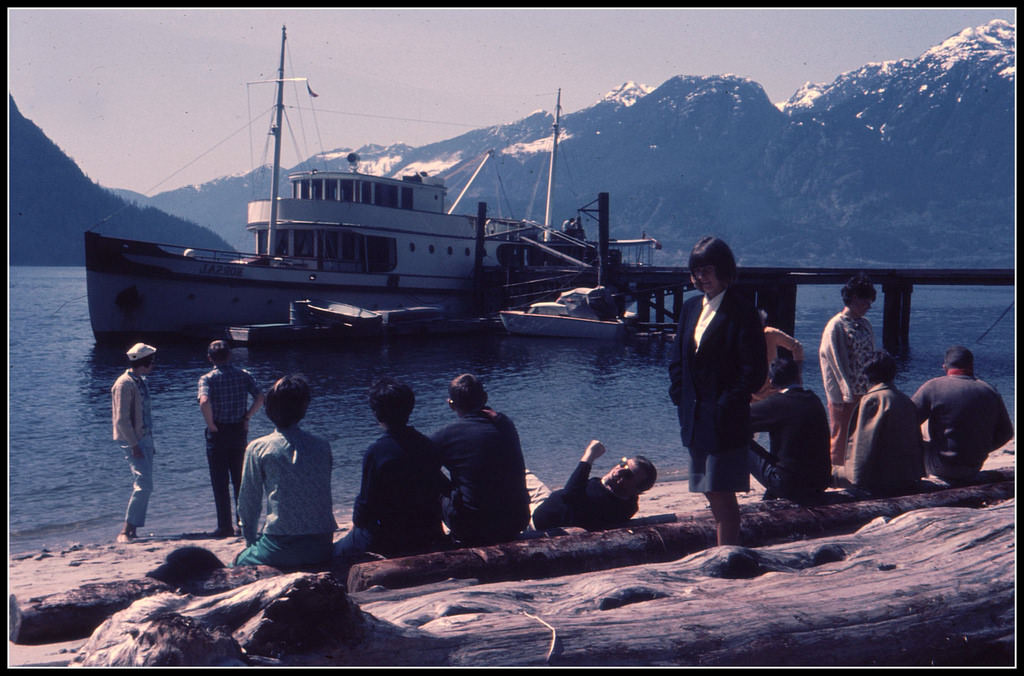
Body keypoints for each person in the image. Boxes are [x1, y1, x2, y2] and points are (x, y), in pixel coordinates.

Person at [669, 236, 767, 546]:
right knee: (710, 491)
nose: (701, 277)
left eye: (707, 269)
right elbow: (677, 360)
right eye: (696, 271)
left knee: (722, 493)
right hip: (695, 417)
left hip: (725, 420)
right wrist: (679, 395)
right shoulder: (688, 308)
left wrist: (728, 403)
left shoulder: (742, 311)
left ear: (724, 269)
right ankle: (724, 550)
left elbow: (754, 372)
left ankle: (728, 556)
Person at [334, 377, 447, 563]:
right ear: (410, 408)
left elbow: (364, 509)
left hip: (389, 539)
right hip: (427, 533)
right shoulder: (429, 445)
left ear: (377, 413)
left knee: (336, 552)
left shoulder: (377, 452)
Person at [234, 375, 336, 569]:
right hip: (321, 544)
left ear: (269, 409)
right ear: (303, 409)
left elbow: (249, 503)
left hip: (280, 544)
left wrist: (250, 542)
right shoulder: (322, 446)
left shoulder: (258, 448)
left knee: (237, 563)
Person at [431, 373, 531, 546]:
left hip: (473, 528)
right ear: (485, 398)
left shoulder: (446, 435)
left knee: (426, 474)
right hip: (517, 520)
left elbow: (419, 463)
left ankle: (434, 539)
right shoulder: (506, 424)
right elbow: (496, 416)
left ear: (451, 405)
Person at [911, 346, 1013, 483]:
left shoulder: (933, 386)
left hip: (942, 466)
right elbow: (1006, 433)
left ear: (944, 367)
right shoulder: (990, 390)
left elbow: (907, 420)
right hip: (974, 465)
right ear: (971, 366)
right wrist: (983, 449)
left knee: (922, 426)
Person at [197, 340, 264, 537]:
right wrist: (247, 417)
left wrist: (211, 424)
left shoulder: (207, 379)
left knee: (220, 482)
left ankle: (224, 526)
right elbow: (260, 397)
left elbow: (204, 401)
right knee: (240, 480)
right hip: (238, 429)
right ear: (230, 355)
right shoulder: (244, 375)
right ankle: (243, 523)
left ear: (210, 358)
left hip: (218, 431)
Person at [833, 351, 924, 496]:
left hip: (881, 481)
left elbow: (864, 447)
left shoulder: (873, 400)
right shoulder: (906, 400)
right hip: (906, 476)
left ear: (867, 374)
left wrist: (857, 482)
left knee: (828, 472)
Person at [748, 356, 831, 504]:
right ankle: (770, 495)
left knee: (739, 440)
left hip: (790, 485)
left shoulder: (776, 404)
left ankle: (722, 491)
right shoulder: (814, 399)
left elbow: (736, 420)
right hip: (821, 481)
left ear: (771, 381)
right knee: (787, 442)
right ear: (798, 376)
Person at [531, 440, 657, 531]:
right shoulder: (626, 501)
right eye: (623, 464)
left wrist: (589, 456)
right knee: (522, 471)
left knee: (517, 473)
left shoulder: (608, 503)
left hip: (534, 519)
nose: (618, 470)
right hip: (546, 499)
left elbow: (569, 494)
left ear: (635, 490)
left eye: (628, 474)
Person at [819, 273, 877, 467]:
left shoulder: (865, 324)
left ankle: (854, 470)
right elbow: (834, 361)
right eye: (864, 300)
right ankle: (834, 474)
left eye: (870, 301)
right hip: (843, 393)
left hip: (865, 389)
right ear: (852, 298)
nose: (868, 305)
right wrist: (846, 392)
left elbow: (871, 355)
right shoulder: (836, 325)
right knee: (840, 434)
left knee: (860, 435)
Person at [112, 343, 158, 543]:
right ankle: (126, 529)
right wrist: (134, 444)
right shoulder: (124, 384)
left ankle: (133, 529)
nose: (153, 365)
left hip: (144, 438)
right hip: (134, 441)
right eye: (151, 361)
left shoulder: (140, 380)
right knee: (144, 484)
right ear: (145, 363)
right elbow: (121, 420)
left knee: (145, 483)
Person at [752, 309, 804, 402]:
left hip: (773, 393)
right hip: (751, 395)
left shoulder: (771, 334)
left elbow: (797, 347)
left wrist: (798, 374)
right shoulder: (742, 339)